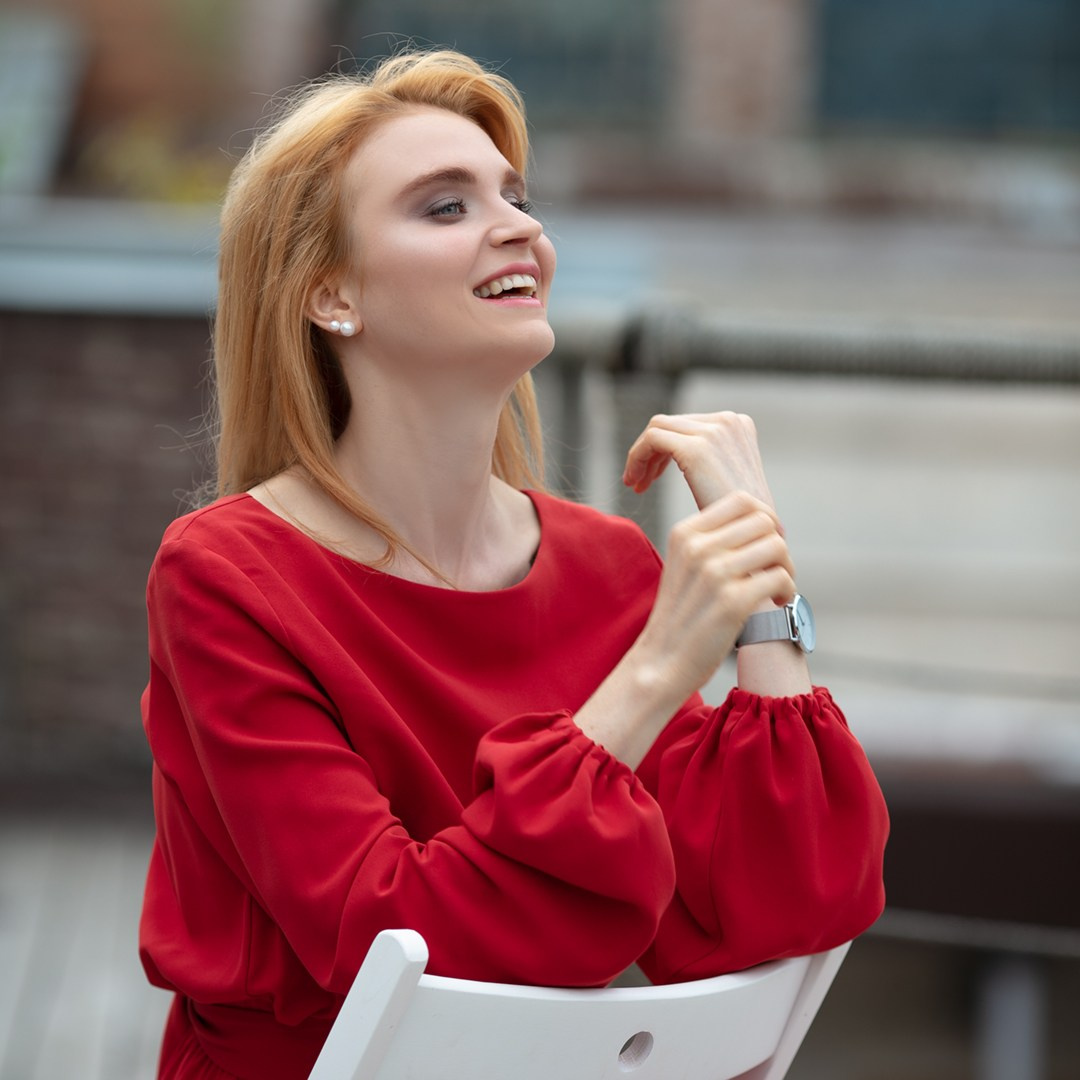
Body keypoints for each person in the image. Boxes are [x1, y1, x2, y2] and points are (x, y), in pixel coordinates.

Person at [138, 49, 888, 1080]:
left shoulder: (604, 567)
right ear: (330, 295)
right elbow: (391, 944)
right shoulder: (226, 575)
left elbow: (785, 913)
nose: (521, 228)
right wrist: (657, 671)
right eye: (445, 207)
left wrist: (764, 600)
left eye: (516, 196)